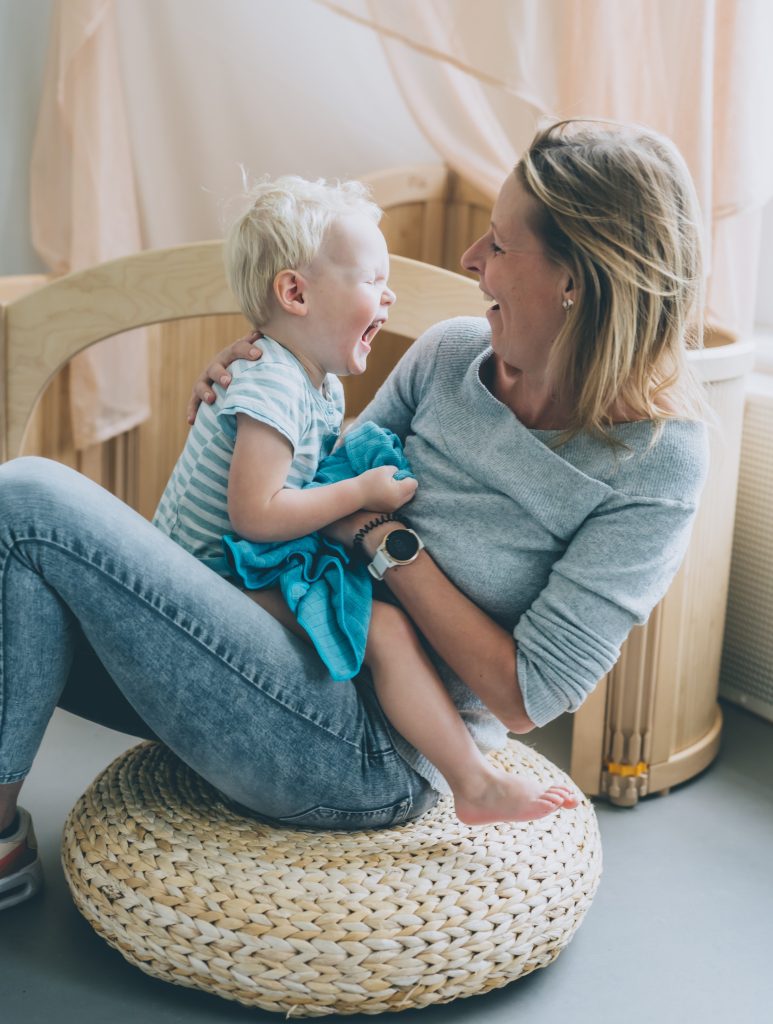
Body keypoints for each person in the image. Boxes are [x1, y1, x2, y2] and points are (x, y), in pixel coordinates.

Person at [0, 119, 708, 913]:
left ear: (577, 279)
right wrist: (268, 381)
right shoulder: (448, 356)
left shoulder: (656, 463)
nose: (472, 262)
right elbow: (317, 479)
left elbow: (523, 695)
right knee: (25, 553)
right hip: (286, 650)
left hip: (371, 751)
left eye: (500, 246)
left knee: (26, 499)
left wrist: (384, 544)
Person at [153, 175, 577, 827]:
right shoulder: (270, 384)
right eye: (370, 279)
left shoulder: (310, 384)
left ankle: (467, 775)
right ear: (294, 292)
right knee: (384, 629)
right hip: (206, 580)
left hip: (245, 568)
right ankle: (474, 782)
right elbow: (256, 514)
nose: (389, 294)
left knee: (381, 627)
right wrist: (363, 492)